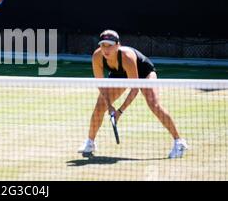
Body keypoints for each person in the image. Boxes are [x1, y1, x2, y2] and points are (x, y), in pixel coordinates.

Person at [78, 30, 188, 159]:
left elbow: (134, 88)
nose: (106, 49)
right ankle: (90, 142)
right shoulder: (97, 57)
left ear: (118, 45)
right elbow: (101, 84)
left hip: (143, 72)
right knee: (99, 106)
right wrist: (109, 106)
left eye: (110, 45)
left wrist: (119, 111)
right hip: (119, 74)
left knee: (154, 104)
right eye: (103, 45)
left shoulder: (127, 57)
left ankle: (179, 142)